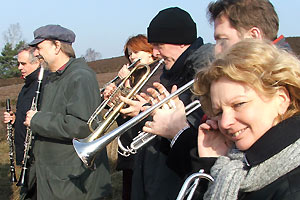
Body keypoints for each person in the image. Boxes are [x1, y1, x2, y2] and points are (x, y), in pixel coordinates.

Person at [144, 0, 292, 180]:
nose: (216, 51)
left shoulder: (271, 84)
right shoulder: (255, 78)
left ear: (254, 36)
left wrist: (178, 132)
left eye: (222, 40)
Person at [190, 39, 300, 199]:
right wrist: (210, 164)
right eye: (219, 112)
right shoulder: (235, 167)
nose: (225, 122)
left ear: (281, 99)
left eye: (239, 104)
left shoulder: (293, 187)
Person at [129, 7, 214, 200]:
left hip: (174, 179)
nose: (155, 52)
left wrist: (161, 118)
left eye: (159, 45)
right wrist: (144, 110)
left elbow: (197, 126)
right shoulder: (171, 71)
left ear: (181, 42)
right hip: (155, 173)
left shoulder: (203, 74)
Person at [23, 24, 111, 200]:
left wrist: (37, 121)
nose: (36, 54)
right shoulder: (54, 78)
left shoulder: (80, 77)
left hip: (73, 181)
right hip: (56, 178)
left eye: (39, 47)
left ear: (57, 46)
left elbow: (81, 126)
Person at [103, 34, 163, 200]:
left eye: (136, 52)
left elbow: (140, 104)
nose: (132, 57)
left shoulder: (157, 73)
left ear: (151, 51)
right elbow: (124, 113)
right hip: (129, 144)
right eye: (129, 54)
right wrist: (113, 97)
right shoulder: (138, 73)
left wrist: (126, 84)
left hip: (145, 144)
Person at [3, 46, 44, 166]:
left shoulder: (45, 84)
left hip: (37, 157)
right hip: (27, 156)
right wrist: (15, 119)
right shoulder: (26, 86)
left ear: (36, 62)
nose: (19, 67)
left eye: (23, 64)